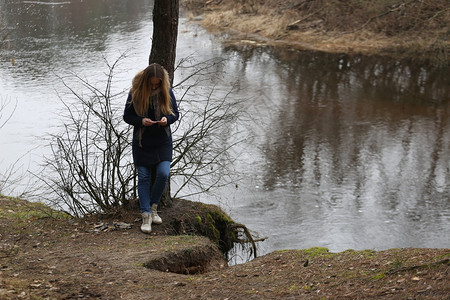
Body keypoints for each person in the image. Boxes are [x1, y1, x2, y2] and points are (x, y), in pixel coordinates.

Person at [123, 63, 179, 234]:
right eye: (151, 83)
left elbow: (175, 114)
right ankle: (145, 214)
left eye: (157, 84)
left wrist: (166, 120)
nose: (154, 86)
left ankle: (154, 207)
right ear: (146, 80)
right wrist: (141, 121)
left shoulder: (167, 92)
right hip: (142, 142)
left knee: (163, 174)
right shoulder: (136, 93)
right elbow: (127, 116)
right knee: (144, 177)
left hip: (163, 140)